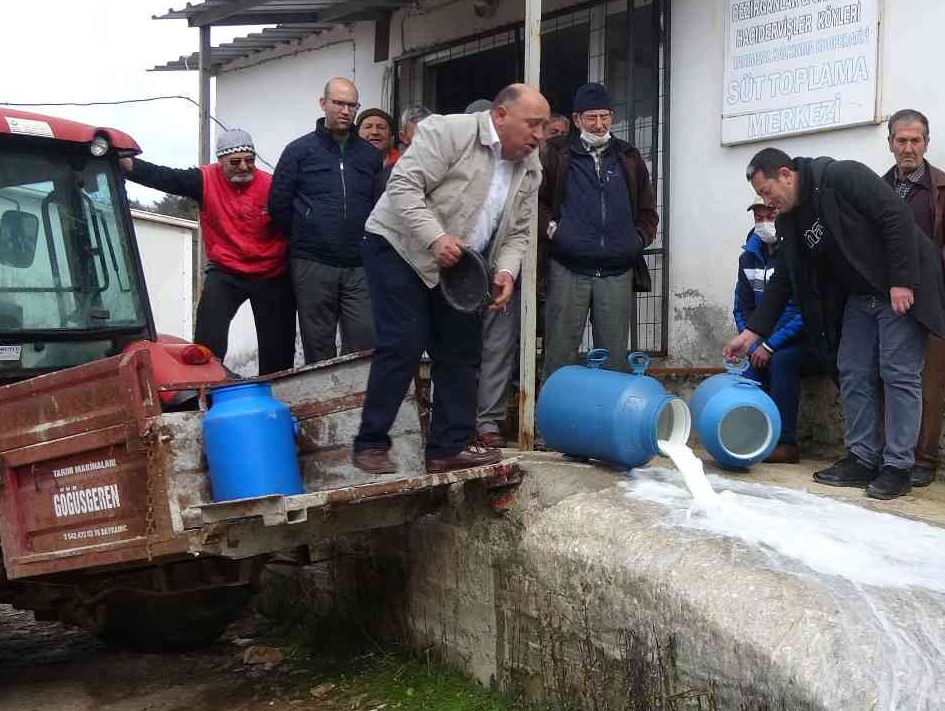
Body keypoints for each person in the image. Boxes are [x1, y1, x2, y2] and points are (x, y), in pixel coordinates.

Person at [723, 148, 945, 500]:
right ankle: (862, 457)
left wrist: (902, 280)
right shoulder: (789, 220)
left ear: (786, 174)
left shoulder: (842, 177)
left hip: (899, 287)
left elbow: (896, 217)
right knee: (852, 369)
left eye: (768, 192)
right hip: (860, 294)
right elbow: (785, 278)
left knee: (899, 373)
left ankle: (898, 467)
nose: (768, 202)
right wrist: (753, 332)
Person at [353, 84, 548, 475]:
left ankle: (448, 447)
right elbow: (403, 186)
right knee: (404, 341)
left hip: (460, 264)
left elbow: (518, 233)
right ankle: (371, 442)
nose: (540, 135)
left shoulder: (530, 168)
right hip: (400, 246)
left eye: (544, 127)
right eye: (533, 124)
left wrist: (506, 270)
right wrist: (435, 237)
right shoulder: (448, 132)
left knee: (462, 349)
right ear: (501, 116)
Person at [120, 128, 294, 375]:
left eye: (250, 161)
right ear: (220, 162)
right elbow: (165, 177)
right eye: (235, 162)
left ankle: (278, 391)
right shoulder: (204, 180)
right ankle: (207, 387)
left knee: (277, 347)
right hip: (226, 270)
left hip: (271, 271)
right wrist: (128, 165)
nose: (244, 167)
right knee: (208, 339)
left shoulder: (272, 186)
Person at [879, 109, 945, 487]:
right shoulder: (880, 188)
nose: (908, 148)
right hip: (887, 302)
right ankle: (892, 455)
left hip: (931, 300)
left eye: (915, 140)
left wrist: (921, 277)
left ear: (926, 144)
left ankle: (923, 459)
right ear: (890, 144)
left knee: (928, 381)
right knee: (889, 377)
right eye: (900, 141)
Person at [538, 82, 659, 380]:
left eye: (605, 116)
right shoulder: (557, 153)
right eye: (591, 117)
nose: (599, 123)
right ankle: (550, 424)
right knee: (559, 355)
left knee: (615, 359)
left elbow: (647, 211)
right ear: (577, 120)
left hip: (617, 270)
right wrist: (556, 232)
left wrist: (636, 241)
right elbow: (536, 203)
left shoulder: (629, 157)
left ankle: (608, 424)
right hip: (568, 267)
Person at [268, 77, 386, 364]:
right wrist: (306, 233)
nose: (345, 111)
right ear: (323, 104)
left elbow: (379, 205)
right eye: (338, 103)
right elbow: (278, 204)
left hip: (359, 265)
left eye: (351, 105)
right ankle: (323, 407)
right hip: (313, 264)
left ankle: (359, 407)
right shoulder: (299, 151)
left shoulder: (370, 156)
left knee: (364, 341)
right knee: (318, 345)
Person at [732, 201, 804, 464]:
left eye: (770, 215)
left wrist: (770, 344)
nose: (764, 222)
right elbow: (742, 307)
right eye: (758, 217)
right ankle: (753, 436)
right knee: (747, 372)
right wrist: (751, 344)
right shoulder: (747, 258)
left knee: (781, 361)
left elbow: (802, 312)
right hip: (761, 340)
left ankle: (785, 442)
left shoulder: (796, 255)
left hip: (798, 340)